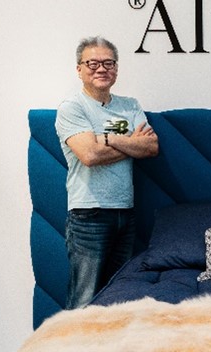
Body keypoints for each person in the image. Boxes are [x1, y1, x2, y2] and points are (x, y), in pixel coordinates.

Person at [55, 36, 159, 309]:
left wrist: (108, 139)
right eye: (93, 63)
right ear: (79, 69)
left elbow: (150, 147)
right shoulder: (72, 108)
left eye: (108, 63)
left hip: (125, 212)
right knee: (84, 300)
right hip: (88, 214)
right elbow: (89, 155)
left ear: (116, 68)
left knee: (117, 299)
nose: (101, 69)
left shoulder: (130, 105)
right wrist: (130, 143)